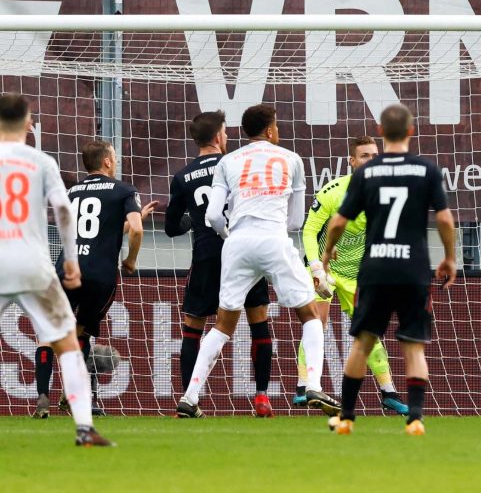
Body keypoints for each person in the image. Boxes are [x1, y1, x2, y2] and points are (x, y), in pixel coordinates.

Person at [177, 104, 339, 417]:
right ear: (269, 130)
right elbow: (295, 221)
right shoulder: (292, 159)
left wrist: (231, 236)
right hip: (274, 240)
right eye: (276, 126)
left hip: (236, 244)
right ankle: (314, 385)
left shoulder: (228, 160)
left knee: (223, 326)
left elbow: (212, 215)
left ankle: (190, 397)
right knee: (310, 315)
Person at [324, 104, 456, 436]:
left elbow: (339, 220)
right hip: (413, 269)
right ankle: (414, 418)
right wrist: (450, 258)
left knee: (363, 343)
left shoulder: (366, 173)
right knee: (413, 346)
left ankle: (347, 418)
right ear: (411, 132)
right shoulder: (426, 170)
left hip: (376, 269)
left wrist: (327, 252)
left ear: (381, 133)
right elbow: (443, 218)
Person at [0, 93, 112, 445]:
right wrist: (70, 261)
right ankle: (84, 427)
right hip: (33, 263)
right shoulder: (41, 161)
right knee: (67, 342)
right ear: (28, 122)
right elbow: (64, 210)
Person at [33, 139, 157, 418]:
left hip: (67, 269)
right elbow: (135, 231)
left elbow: (89, 231)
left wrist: (128, 224)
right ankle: (75, 396)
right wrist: (131, 261)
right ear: (107, 161)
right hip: (100, 275)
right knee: (81, 335)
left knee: (48, 336)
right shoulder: (124, 190)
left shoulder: (72, 191)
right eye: (114, 156)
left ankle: (43, 397)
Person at [165, 111, 275, 417]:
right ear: (218, 137)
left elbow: (171, 228)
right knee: (258, 322)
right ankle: (262, 397)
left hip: (206, 255)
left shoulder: (182, 176)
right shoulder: (237, 164)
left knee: (193, 328)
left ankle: (190, 399)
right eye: (225, 132)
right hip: (243, 251)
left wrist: (193, 219)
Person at [298, 135, 407, 415]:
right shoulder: (333, 192)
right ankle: (305, 386)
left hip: (358, 274)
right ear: (352, 161)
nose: (371, 160)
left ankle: (389, 392)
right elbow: (309, 230)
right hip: (326, 270)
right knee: (316, 321)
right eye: (365, 156)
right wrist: (316, 268)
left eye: (375, 155)